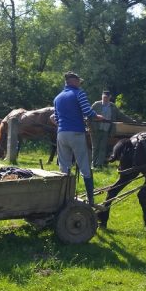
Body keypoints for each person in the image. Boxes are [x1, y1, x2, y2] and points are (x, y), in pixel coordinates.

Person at [52, 71, 104, 206]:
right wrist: (97, 116)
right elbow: (87, 111)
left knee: (64, 168)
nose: (80, 84)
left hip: (61, 134)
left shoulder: (57, 98)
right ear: (74, 81)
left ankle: (63, 199)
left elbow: (55, 118)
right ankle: (91, 201)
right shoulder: (79, 93)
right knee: (84, 167)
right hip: (76, 133)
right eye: (79, 82)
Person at [90, 90, 136, 168]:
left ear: (109, 97)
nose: (105, 99)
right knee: (95, 147)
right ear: (102, 96)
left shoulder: (113, 106)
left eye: (106, 97)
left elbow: (121, 115)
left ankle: (99, 164)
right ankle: (93, 164)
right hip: (95, 130)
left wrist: (132, 121)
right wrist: (90, 127)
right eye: (104, 97)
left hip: (106, 130)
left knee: (102, 148)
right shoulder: (96, 105)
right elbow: (89, 115)